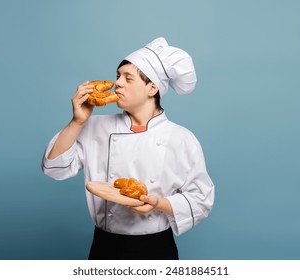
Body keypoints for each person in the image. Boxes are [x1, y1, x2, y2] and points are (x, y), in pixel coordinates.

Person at [41, 37, 215, 260]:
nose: (117, 84)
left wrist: (158, 204)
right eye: (117, 76)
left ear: (152, 88)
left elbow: (201, 198)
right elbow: (53, 167)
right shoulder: (94, 126)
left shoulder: (181, 138)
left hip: (156, 248)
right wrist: (78, 121)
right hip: (105, 246)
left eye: (128, 78)